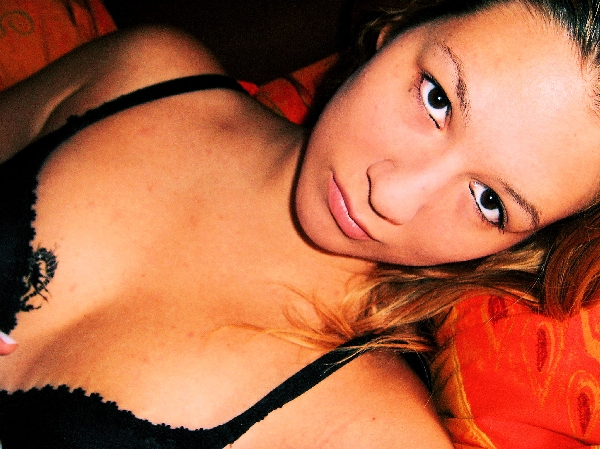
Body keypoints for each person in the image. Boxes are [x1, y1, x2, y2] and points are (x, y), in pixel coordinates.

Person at [1, 0, 600, 447]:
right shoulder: (141, 74)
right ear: (401, 26)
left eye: (489, 201)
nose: (392, 196)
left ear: (525, 244)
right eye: (437, 98)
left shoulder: (371, 433)